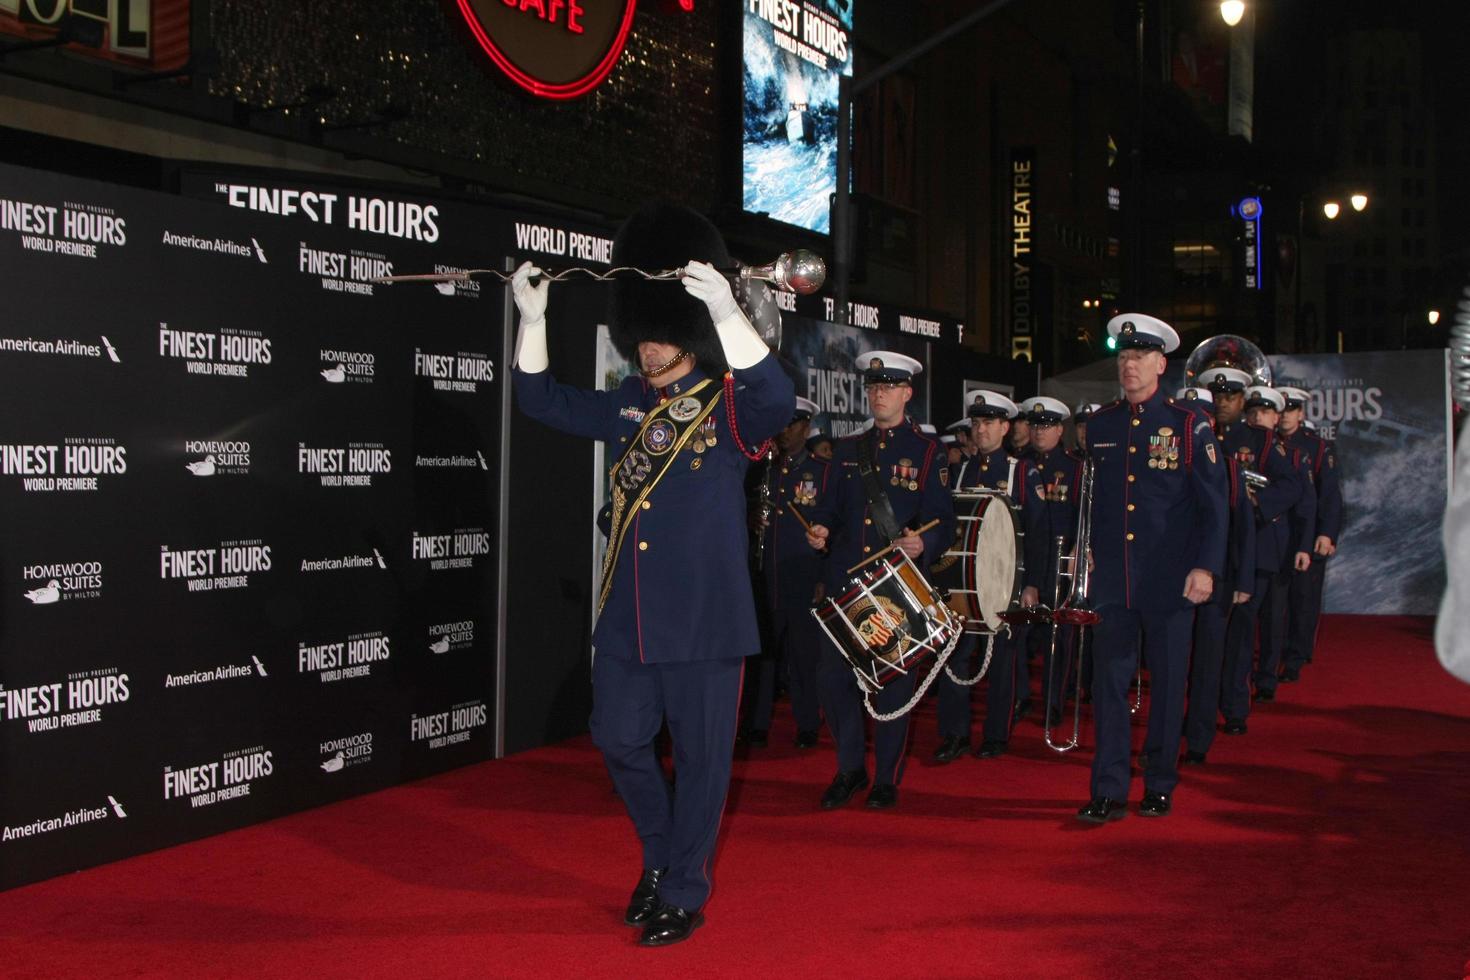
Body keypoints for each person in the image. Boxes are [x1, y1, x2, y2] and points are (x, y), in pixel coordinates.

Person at [511, 202, 794, 947]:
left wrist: (727, 311)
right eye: (641, 332)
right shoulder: (631, 403)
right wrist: (533, 322)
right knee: (618, 740)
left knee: (703, 765)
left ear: (690, 331)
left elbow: (779, 399)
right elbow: (539, 400)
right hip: (631, 618)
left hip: (705, 620)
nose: (649, 347)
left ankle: (683, 888)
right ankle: (664, 859)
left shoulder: (728, 405)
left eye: (664, 330)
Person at [1077, 314, 1227, 823]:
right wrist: (1086, 550)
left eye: (1139, 356)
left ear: (1161, 364)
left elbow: (1214, 507)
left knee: (1166, 686)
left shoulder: (1189, 425)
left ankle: (1160, 782)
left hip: (1170, 579)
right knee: (1109, 687)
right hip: (1114, 580)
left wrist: (1205, 568)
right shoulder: (1100, 424)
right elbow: (1094, 504)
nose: (1129, 365)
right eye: (1123, 357)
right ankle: (1109, 787)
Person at [803, 351, 955, 810]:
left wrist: (923, 544)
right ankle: (849, 768)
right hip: (844, 582)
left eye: (887, 387)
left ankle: (886, 776)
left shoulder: (928, 451)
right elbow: (828, 506)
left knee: (892, 682)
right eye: (872, 388)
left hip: (894, 586)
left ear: (907, 394)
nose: (878, 394)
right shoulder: (848, 448)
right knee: (834, 680)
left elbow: (943, 520)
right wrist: (821, 528)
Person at [932, 390, 1034, 761]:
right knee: (954, 657)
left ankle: (996, 734)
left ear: (1005, 427)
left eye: (989, 423)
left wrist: (1031, 584)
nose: (981, 430)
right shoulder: (958, 470)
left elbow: (1035, 532)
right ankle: (954, 734)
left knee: (1004, 660)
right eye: (976, 423)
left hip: (1006, 584)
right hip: (962, 583)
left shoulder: (1021, 471)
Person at [1204, 371, 1307, 735]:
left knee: (1241, 632)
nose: (1221, 401)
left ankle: (1233, 707)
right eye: (1216, 395)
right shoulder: (1198, 434)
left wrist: (1257, 503)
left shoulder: (1259, 442)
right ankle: (1200, 710)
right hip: (1204, 551)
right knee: (1201, 636)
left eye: (1229, 396)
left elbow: (1293, 484)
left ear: (1241, 400)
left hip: (1251, 549)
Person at [1174, 386, 1255, 766]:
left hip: (1217, 582)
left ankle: (1198, 741)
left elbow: (1242, 531)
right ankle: (1168, 737)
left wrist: (1243, 583)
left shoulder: (1228, 467)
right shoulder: (1164, 465)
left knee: (1207, 664)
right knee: (1171, 664)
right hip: (1171, 581)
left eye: (1200, 417)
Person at [745, 396, 827, 749]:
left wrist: (823, 576)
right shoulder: (760, 468)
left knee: (804, 654)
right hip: (764, 575)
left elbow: (834, 527)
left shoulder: (822, 472)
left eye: (792, 424)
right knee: (761, 654)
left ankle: (807, 723)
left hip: (804, 576)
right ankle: (756, 722)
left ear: (805, 428)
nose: (783, 431)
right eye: (779, 423)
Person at [1016, 396, 1085, 727]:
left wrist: (1080, 550)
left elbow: (1085, 516)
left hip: (1060, 560)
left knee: (1059, 637)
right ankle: (1019, 696)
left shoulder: (1075, 466)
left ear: (1060, 429)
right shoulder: (1019, 464)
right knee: (1016, 633)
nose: (1039, 432)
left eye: (1046, 427)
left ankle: (1053, 701)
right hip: (1026, 559)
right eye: (1034, 426)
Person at [1245, 386, 1315, 701]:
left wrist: (1303, 546)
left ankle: (1266, 680)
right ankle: (1239, 675)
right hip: (1246, 547)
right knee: (1243, 620)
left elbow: (1305, 505)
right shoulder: (1238, 448)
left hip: (1279, 546)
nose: (1258, 416)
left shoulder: (1295, 455)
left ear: (1276, 417)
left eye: (1265, 412)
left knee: (1273, 619)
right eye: (1253, 411)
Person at [1276, 386, 1342, 678]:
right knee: (1275, 601)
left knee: (1303, 599)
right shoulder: (1267, 444)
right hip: (1276, 534)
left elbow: (1329, 495)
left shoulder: (1316, 447)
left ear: (1300, 414)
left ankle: (1296, 656)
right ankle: (1273, 652)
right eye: (1280, 410)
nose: (1284, 416)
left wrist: (1326, 533)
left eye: (1290, 410)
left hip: (1308, 532)